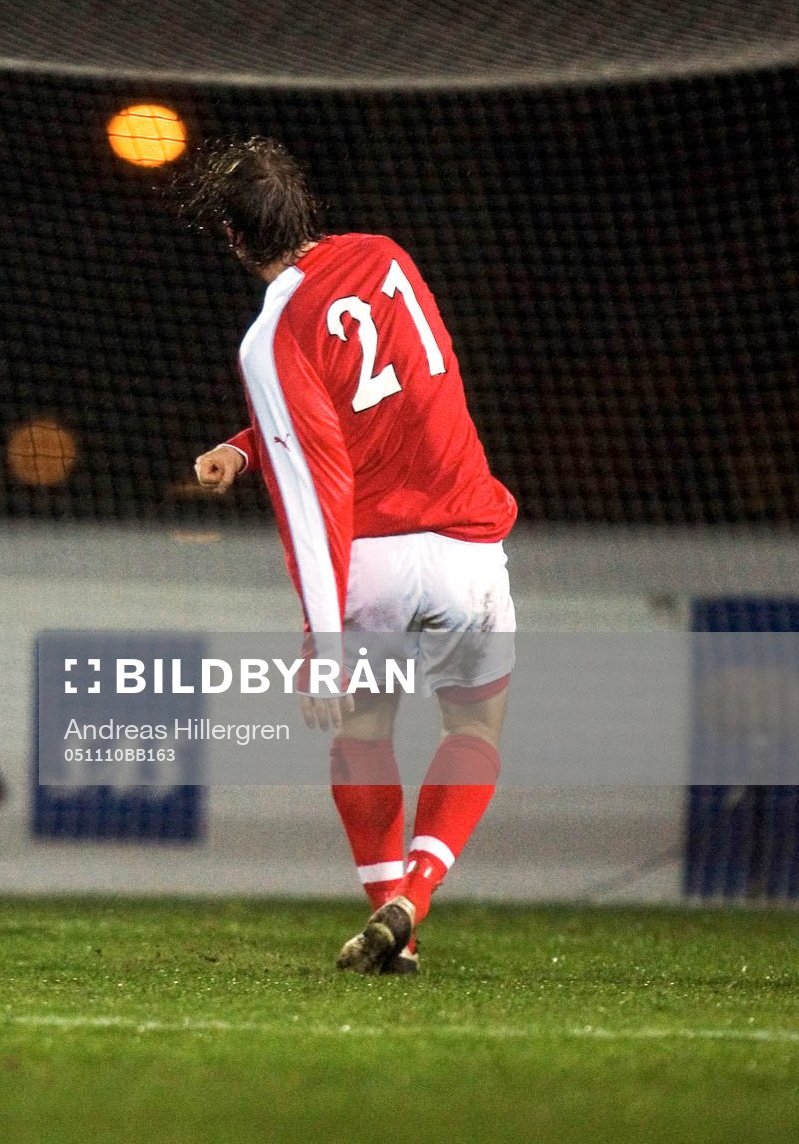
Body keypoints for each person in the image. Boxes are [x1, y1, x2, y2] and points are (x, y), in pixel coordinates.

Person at [184, 138, 516, 974]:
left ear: (231, 237)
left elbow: (314, 494)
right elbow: (380, 389)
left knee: (364, 731)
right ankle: (418, 892)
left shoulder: (270, 338)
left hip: (369, 560)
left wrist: (320, 639)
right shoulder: (383, 256)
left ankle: (387, 919)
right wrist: (247, 443)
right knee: (472, 725)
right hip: (467, 545)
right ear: (303, 207)